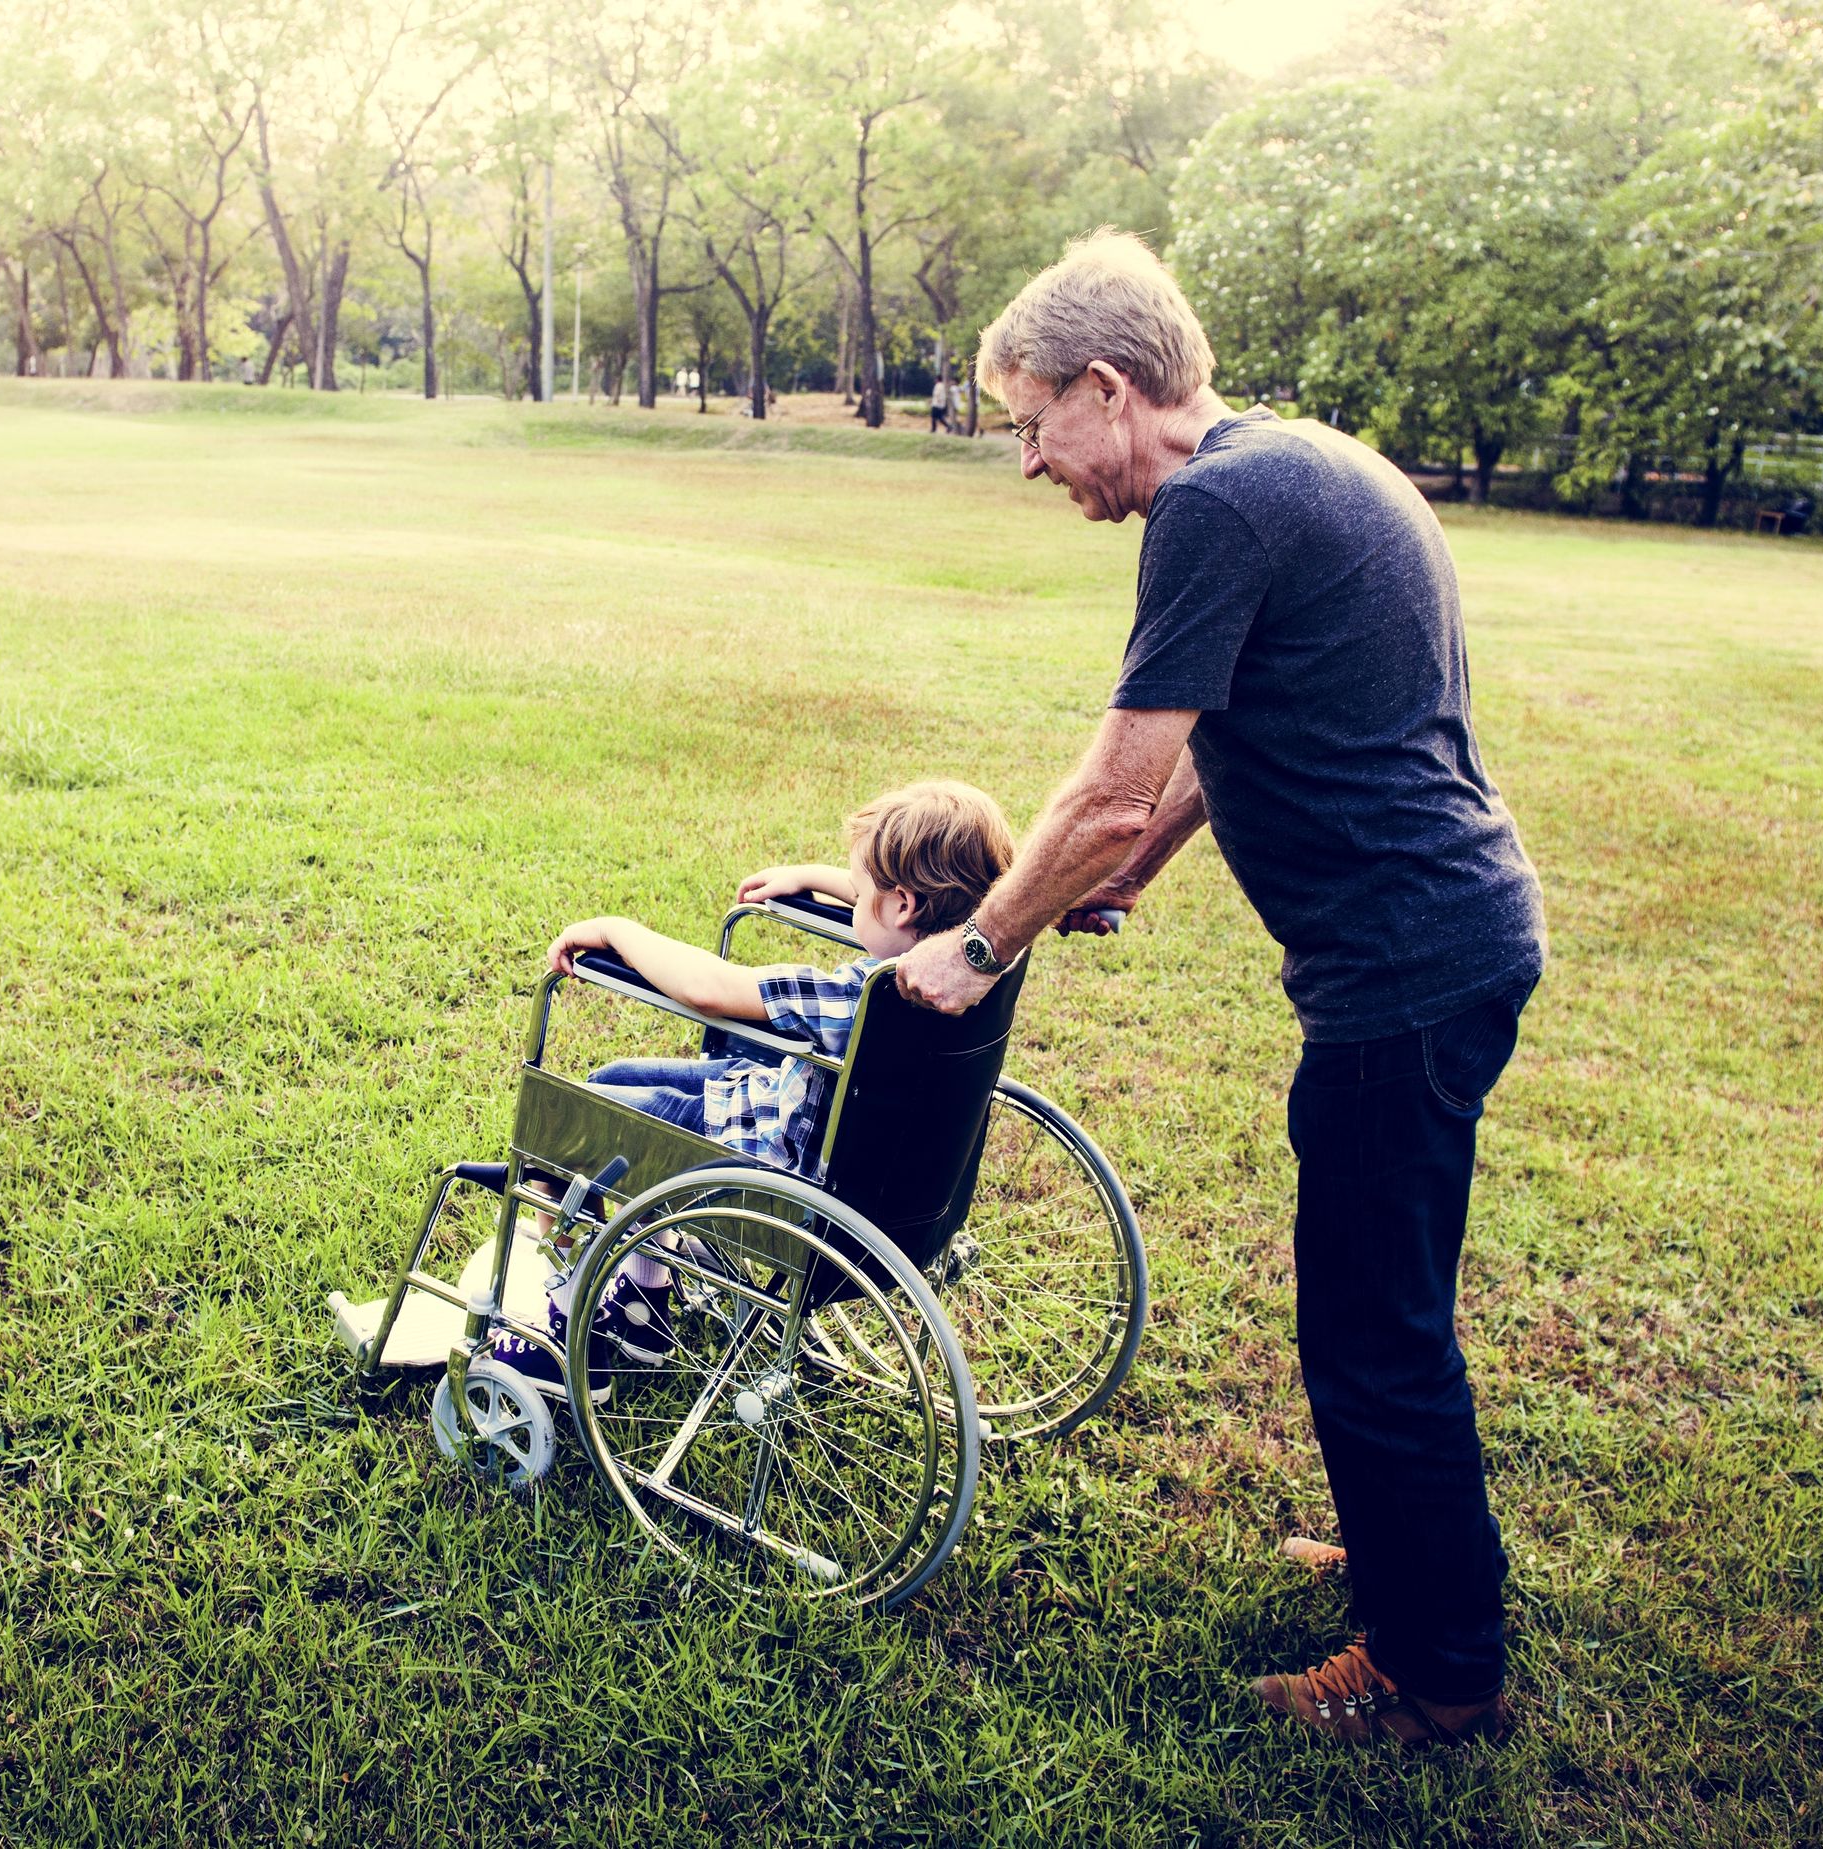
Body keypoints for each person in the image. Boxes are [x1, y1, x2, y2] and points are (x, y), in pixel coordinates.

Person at [898, 230, 1546, 1748]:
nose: (1029, 461)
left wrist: (979, 945)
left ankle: (1436, 1671)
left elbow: (1113, 785)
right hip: (1454, 943)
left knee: (1374, 1330)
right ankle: (1404, 1556)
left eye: (1031, 423)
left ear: (1106, 387)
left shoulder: (1212, 505)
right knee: (1386, 1304)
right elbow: (1215, 741)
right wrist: (1138, 869)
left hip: (1402, 969)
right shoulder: (1305, 463)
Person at [489, 780, 1018, 1395]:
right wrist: (810, 877)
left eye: (858, 889)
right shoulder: (986, 964)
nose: (851, 898)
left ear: (902, 906)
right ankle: (642, 1303)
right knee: (610, 1083)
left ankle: (560, 1320)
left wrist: (615, 931)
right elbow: (894, 901)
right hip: (867, 1175)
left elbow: (711, 989)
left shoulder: (865, 995)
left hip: (775, 1170)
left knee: (577, 1129)